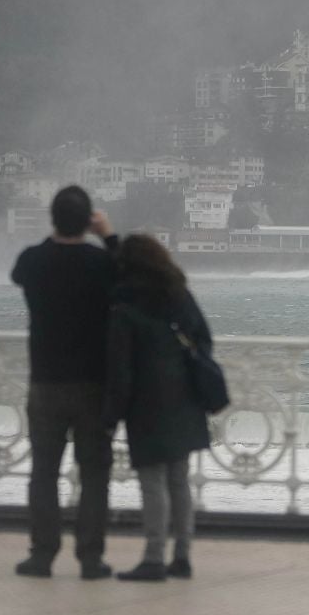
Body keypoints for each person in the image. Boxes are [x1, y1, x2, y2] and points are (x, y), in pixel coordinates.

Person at [10, 185, 119, 580]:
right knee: (93, 474)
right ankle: (90, 558)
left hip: (46, 383)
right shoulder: (100, 263)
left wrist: (56, 235)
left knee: (43, 473)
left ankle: (42, 554)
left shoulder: (34, 261)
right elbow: (131, 278)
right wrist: (106, 235)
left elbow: (19, 272)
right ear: (88, 221)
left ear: (52, 219)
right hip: (93, 384)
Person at [102, 234, 213, 582]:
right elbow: (204, 339)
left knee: (153, 482)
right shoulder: (178, 293)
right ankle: (182, 556)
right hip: (184, 398)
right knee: (179, 480)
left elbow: (120, 370)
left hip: (146, 404)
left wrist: (111, 417)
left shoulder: (125, 305)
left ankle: (153, 558)